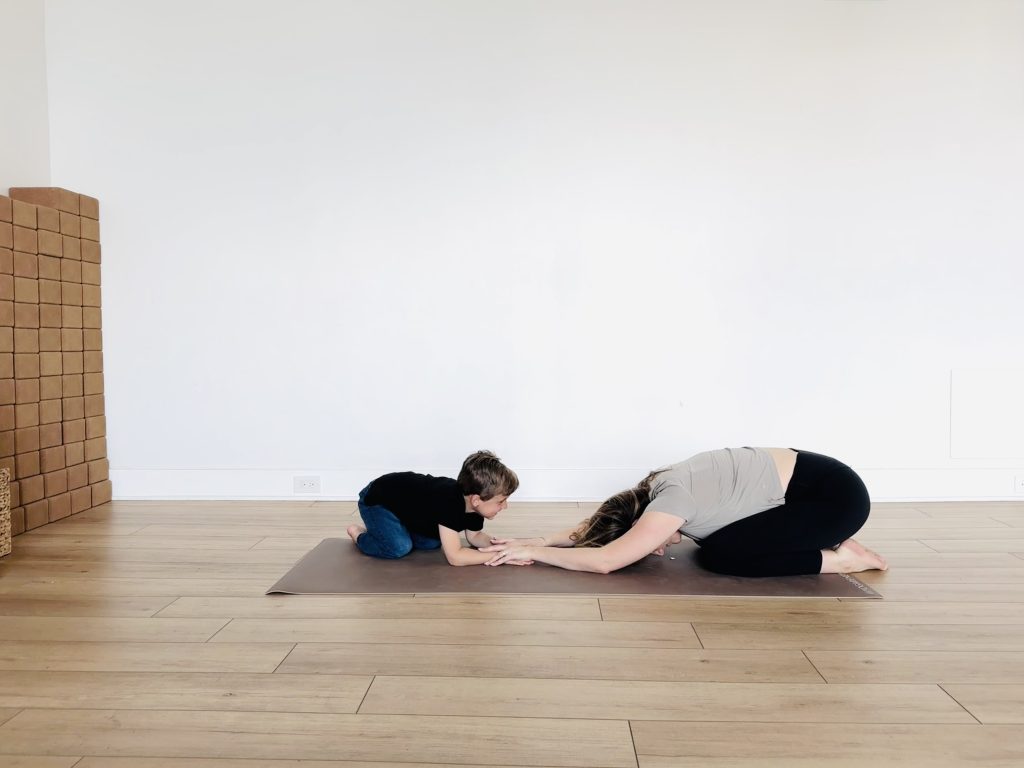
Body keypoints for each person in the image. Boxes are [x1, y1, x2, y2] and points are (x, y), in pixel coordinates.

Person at [482, 447, 887, 577]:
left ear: (643, 524)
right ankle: (825, 541)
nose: (656, 550)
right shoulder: (658, 485)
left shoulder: (671, 503)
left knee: (720, 553)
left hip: (833, 501)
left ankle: (843, 560)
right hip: (823, 482)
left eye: (646, 543)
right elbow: (602, 524)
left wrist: (535, 554)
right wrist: (541, 538)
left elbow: (607, 560)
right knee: (714, 543)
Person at [346, 450, 523, 566]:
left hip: (407, 506)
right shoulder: (449, 502)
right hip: (378, 500)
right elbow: (456, 557)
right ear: (477, 500)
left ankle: (401, 526)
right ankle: (359, 535)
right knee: (399, 547)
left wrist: (502, 547)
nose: (505, 506)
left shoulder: (472, 502)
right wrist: (501, 557)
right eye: (501, 501)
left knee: (432, 542)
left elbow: (474, 536)